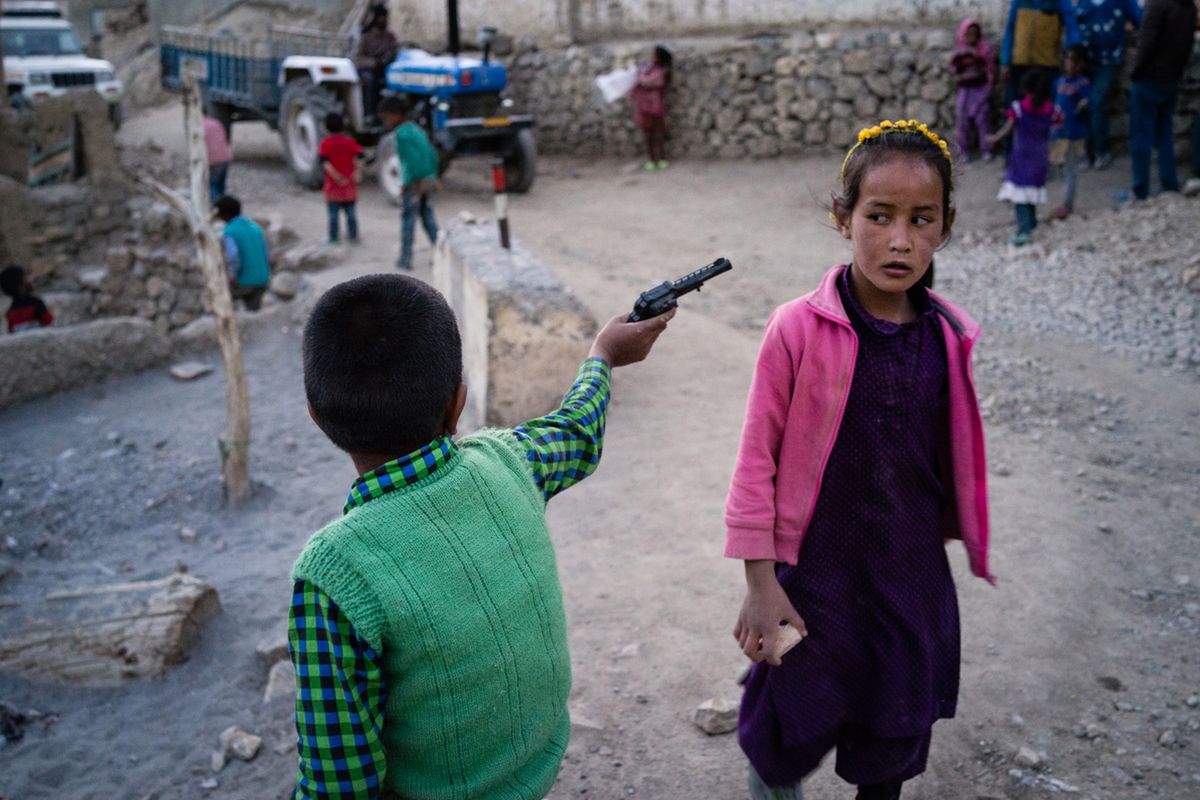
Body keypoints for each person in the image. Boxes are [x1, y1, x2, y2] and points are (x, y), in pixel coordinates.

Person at [288, 273, 673, 799]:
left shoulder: (334, 573)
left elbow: (339, 785)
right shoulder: (509, 460)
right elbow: (578, 431)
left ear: (316, 416)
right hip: (540, 768)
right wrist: (602, 354)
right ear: (458, 403)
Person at [726, 119, 991, 800]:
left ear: (946, 225)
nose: (900, 240)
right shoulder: (795, 329)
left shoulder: (949, 337)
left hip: (907, 581)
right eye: (879, 216)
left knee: (890, 742)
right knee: (779, 734)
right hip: (811, 579)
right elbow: (756, 460)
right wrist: (761, 583)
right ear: (843, 219)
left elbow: (946, 460)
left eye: (920, 219)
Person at [1126, 0, 1197, 201]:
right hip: (1171, 77)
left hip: (1148, 77)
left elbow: (1146, 42)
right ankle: (1169, 184)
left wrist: (1136, 71)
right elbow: (1188, 44)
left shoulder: (1157, 4)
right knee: (1164, 133)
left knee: (1141, 136)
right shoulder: (1187, 6)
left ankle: (1140, 189)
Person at [988, 72, 1060, 245]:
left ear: (1025, 89)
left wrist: (993, 138)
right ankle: (1032, 222)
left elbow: (1007, 130)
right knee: (1031, 191)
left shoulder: (1019, 108)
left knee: (1020, 194)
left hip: (1022, 157)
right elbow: (1057, 127)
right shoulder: (1051, 109)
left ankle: (1024, 230)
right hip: (1040, 157)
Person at [999, 0, 1080, 147]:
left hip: (1046, 66)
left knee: (1044, 112)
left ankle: (1042, 151)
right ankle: (1011, 152)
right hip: (1019, 65)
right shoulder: (1019, 2)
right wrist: (1006, 60)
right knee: (1014, 110)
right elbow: (1010, 30)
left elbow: (1072, 26)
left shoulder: (1060, 3)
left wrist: (1074, 55)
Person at [1074, 0, 1141, 169]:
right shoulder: (1084, 2)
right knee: (1084, 104)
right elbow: (1074, 21)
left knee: (1096, 103)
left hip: (1108, 61)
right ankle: (1086, 154)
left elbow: (1140, 19)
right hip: (1085, 62)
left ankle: (1101, 152)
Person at [378, 96, 440, 271]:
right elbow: (431, 154)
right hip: (426, 179)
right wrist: (432, 176)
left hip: (414, 183)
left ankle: (405, 259)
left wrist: (416, 185)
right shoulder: (417, 130)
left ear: (396, 115)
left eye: (386, 117)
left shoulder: (401, 134)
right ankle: (441, 253)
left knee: (408, 221)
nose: (386, 122)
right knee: (428, 218)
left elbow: (412, 162)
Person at [1050, 46, 1091, 219]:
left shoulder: (1083, 84)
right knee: (1059, 167)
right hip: (1058, 133)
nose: (1070, 63)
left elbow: (1088, 104)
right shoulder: (1059, 83)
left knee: (1070, 169)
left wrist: (1084, 105)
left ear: (1081, 63)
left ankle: (1067, 204)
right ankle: (1061, 202)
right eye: (1067, 59)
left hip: (1074, 134)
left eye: (1074, 60)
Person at [949, 18, 996, 162]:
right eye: (968, 34)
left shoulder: (983, 50)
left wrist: (989, 86)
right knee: (962, 121)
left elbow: (990, 69)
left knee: (983, 120)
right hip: (965, 89)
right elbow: (954, 68)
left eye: (974, 34)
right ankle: (964, 150)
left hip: (980, 89)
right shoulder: (960, 50)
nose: (971, 37)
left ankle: (986, 149)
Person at [213, 195, 270, 310]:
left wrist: (232, 276)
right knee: (254, 310)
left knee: (220, 297)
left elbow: (233, 256)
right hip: (262, 278)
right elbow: (265, 251)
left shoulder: (230, 231)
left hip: (245, 281)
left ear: (225, 214)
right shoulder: (254, 227)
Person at [317, 112, 364, 244]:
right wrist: (358, 172)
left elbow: (324, 162)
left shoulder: (325, 143)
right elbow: (360, 156)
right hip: (349, 185)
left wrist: (336, 176)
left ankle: (333, 238)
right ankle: (353, 236)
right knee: (351, 214)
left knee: (333, 215)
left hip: (333, 187)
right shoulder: (350, 142)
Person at [630, 45, 672, 170]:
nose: (651, 57)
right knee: (648, 134)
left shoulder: (661, 72)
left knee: (658, 133)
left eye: (654, 55)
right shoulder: (648, 69)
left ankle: (662, 158)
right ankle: (652, 159)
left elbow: (648, 82)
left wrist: (639, 75)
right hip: (645, 108)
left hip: (656, 107)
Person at [354, 3, 399, 120]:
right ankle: (369, 114)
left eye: (385, 18)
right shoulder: (365, 36)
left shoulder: (390, 37)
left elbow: (395, 51)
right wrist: (375, 63)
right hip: (367, 70)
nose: (383, 20)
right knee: (369, 80)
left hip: (385, 69)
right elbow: (357, 58)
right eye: (381, 17)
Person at [1, 264, 54, 334]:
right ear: (20, 286)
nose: (31, 279)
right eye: (26, 277)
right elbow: (50, 324)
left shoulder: (10, 312)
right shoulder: (36, 304)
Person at [204, 114, 232, 203]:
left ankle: (217, 208)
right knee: (221, 186)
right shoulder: (216, 122)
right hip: (225, 157)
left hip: (212, 160)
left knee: (213, 185)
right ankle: (224, 208)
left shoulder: (199, 126)